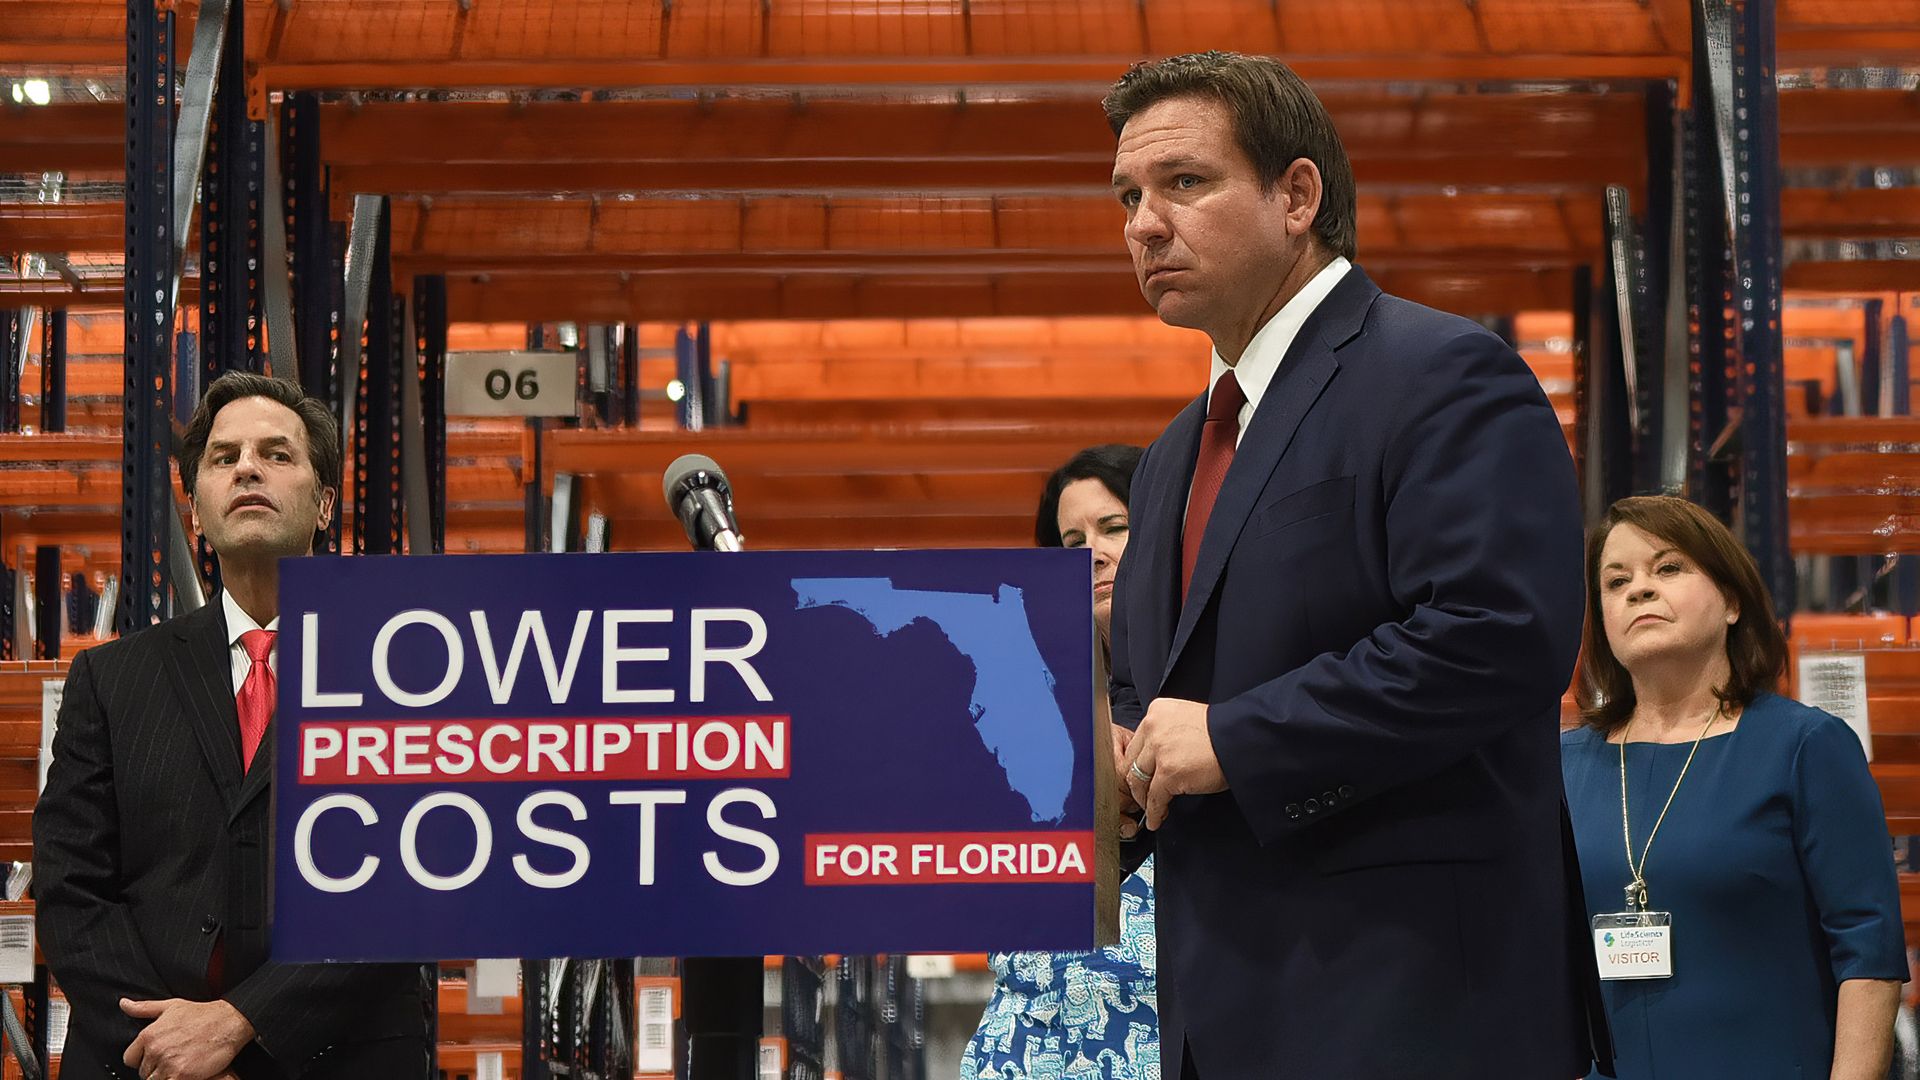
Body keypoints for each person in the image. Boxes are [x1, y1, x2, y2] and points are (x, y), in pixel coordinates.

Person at [1101, 51, 1609, 1078]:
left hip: (1413, 1006)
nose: (1145, 224)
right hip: (1220, 1017)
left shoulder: (1442, 376)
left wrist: (1237, 739)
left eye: (1185, 184)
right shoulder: (1165, 463)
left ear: (1298, 196)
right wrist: (1119, 776)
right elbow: (1151, 702)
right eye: (1129, 196)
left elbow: (1497, 635)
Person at [35, 372, 430, 1080]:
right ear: (197, 511)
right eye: (224, 458)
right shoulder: (112, 679)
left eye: (278, 454)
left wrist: (239, 1023)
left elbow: (414, 890)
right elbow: (71, 887)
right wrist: (168, 1041)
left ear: (324, 504)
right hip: (144, 1062)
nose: (247, 466)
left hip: (334, 1055)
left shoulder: (403, 675)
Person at [1563, 495, 1904, 1079]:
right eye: (1616, 581)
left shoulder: (1804, 746)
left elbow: (1868, 954)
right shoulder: (1564, 765)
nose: (1638, 590)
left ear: (1731, 601)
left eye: (1668, 568)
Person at [962, 444, 1160, 1080]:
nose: (1093, 554)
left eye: (1114, 527)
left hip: (1156, 1030)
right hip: (1028, 1037)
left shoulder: (1215, 681)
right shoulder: (1014, 701)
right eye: (1070, 542)